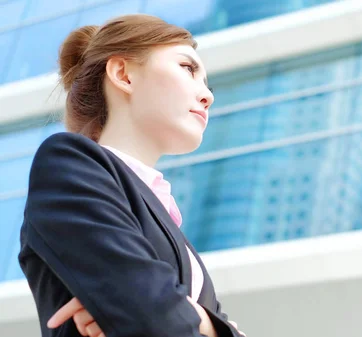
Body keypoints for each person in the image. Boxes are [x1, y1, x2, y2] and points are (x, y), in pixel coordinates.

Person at [18, 14, 245, 337]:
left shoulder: (171, 226)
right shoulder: (68, 163)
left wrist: (200, 318)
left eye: (206, 83)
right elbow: (154, 320)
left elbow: (156, 311)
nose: (207, 95)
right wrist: (212, 324)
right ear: (123, 74)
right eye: (187, 68)